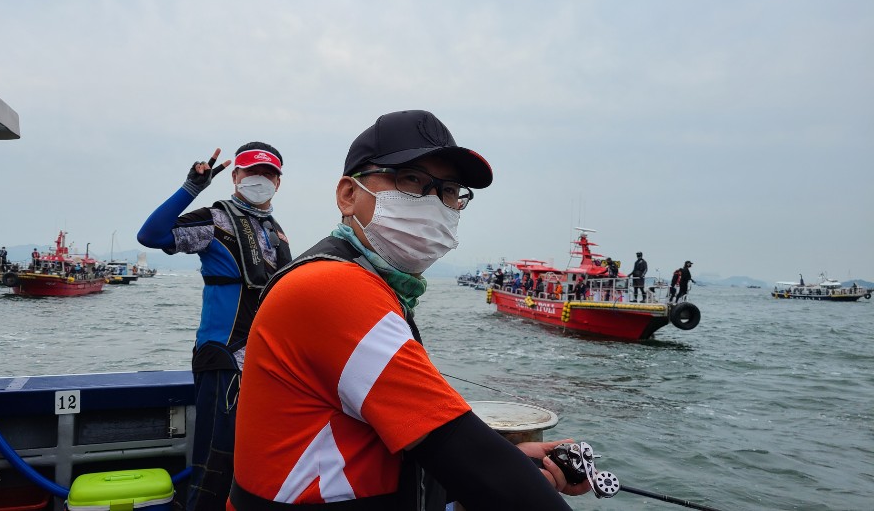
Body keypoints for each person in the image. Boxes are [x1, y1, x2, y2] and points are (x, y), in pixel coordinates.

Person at [230, 110, 589, 511]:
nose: (434, 203)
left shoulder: (374, 285)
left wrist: (516, 462)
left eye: (449, 190)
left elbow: (381, 449)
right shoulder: (332, 287)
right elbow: (455, 445)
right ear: (348, 195)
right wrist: (502, 471)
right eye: (411, 180)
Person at [137, 143, 292, 511]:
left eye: (268, 173)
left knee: (254, 463)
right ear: (235, 176)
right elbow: (151, 235)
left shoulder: (276, 231)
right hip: (224, 360)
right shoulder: (214, 221)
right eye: (252, 172)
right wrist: (191, 189)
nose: (260, 179)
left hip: (266, 365)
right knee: (214, 463)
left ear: (278, 182)